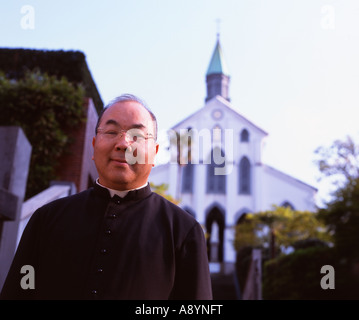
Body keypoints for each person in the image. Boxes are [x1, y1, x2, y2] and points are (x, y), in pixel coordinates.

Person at [0, 94, 213, 300]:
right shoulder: (46, 220)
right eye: (111, 132)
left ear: (155, 153)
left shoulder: (184, 233)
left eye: (137, 136)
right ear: (93, 146)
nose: (123, 144)